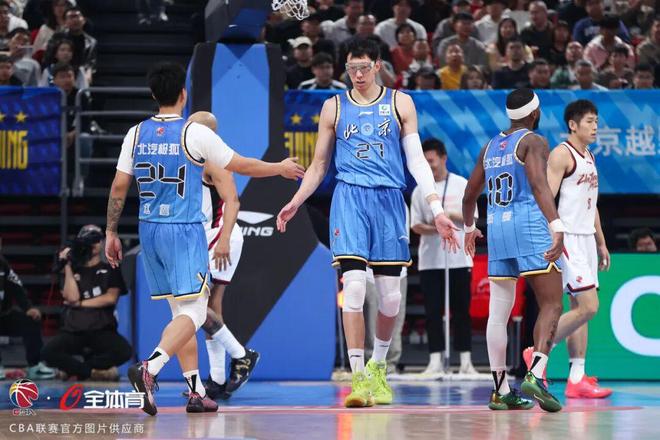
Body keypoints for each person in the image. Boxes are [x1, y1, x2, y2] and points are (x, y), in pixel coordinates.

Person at [105, 62, 304, 416]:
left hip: (149, 230)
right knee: (196, 312)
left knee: (180, 314)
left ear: (153, 94)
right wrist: (279, 168)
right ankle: (150, 368)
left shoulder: (135, 133)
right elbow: (241, 164)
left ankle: (197, 391)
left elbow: (119, 187)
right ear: (183, 94)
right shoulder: (193, 133)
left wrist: (110, 231)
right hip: (183, 229)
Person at [276, 38, 459, 408]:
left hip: (389, 200)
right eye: (351, 68)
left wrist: (436, 209)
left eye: (363, 67)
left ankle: (378, 366)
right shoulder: (333, 106)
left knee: (391, 298)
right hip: (349, 199)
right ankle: (358, 377)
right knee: (355, 286)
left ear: (377, 66)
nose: (357, 75)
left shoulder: (400, 103)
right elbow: (319, 165)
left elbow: (416, 161)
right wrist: (296, 200)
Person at [462, 88, 564, 413]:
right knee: (552, 302)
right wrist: (556, 225)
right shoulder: (533, 141)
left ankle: (501, 390)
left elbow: (468, 195)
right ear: (534, 113)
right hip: (528, 225)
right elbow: (538, 184)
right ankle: (535, 373)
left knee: (498, 314)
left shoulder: (490, 146)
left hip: (497, 229)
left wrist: (469, 227)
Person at [526, 99, 612, 399]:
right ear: (573, 125)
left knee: (580, 310)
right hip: (568, 238)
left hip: (585, 238)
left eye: (597, 121)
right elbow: (545, 196)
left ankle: (577, 378)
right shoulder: (562, 154)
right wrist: (552, 234)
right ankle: (537, 351)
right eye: (589, 121)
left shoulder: (589, 156)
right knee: (589, 307)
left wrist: (601, 242)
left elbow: (592, 203)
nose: (595, 127)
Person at [411, 138, 477, 376]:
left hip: (458, 259)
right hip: (430, 262)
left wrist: (450, 215)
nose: (429, 166)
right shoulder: (420, 190)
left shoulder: (461, 184)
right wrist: (435, 228)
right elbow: (415, 225)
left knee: (461, 311)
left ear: (443, 158)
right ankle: (435, 361)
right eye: (425, 162)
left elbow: (472, 217)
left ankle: (466, 361)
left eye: (432, 161)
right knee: (432, 312)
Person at [41, 225, 132, 381]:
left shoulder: (110, 269)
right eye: (88, 239)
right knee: (48, 352)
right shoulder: (72, 271)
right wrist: (68, 266)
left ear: (102, 243)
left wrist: (81, 304)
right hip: (74, 330)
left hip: (101, 329)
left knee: (124, 351)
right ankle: (90, 372)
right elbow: (72, 298)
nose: (92, 244)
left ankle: (76, 370)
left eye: (96, 239)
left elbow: (110, 298)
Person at [0, 253, 55, 380]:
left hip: (3, 315)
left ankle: (35, 365)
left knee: (31, 320)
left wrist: (28, 308)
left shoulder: (2, 264)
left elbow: (16, 286)